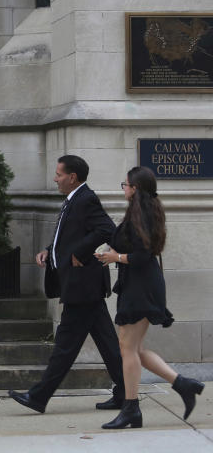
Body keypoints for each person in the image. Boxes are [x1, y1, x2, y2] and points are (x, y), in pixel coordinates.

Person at [9, 155, 125, 414]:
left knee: (65, 345)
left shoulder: (86, 199)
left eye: (59, 174)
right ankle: (127, 393)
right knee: (107, 342)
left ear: (72, 177)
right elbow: (69, 236)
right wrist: (49, 252)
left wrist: (79, 253)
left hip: (82, 287)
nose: (55, 178)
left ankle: (38, 397)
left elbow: (107, 229)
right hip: (85, 287)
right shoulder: (74, 200)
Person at [96, 167, 204, 429]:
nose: (123, 187)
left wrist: (115, 257)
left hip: (141, 286)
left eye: (125, 184)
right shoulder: (139, 212)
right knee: (133, 348)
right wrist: (112, 249)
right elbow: (129, 243)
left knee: (127, 348)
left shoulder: (142, 214)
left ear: (135, 188)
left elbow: (143, 256)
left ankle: (131, 407)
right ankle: (182, 384)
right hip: (137, 284)